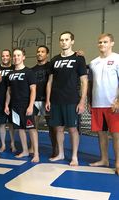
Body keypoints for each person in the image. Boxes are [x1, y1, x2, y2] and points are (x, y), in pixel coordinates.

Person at [45, 31, 88, 166]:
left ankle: (74, 156)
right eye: (62, 40)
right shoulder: (54, 60)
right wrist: (48, 99)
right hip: (56, 100)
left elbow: (84, 81)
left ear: (72, 41)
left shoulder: (79, 59)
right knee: (58, 128)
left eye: (67, 39)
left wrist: (82, 101)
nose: (64, 42)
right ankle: (61, 153)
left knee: (73, 129)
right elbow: (50, 81)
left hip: (71, 99)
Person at [88, 33, 119, 174]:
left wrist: (118, 101)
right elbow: (91, 84)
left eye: (105, 42)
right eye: (100, 42)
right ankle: (104, 159)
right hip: (97, 104)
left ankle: (118, 162)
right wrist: (90, 102)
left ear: (112, 43)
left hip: (113, 104)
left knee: (116, 134)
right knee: (101, 134)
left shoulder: (117, 59)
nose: (102, 44)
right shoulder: (94, 62)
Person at [4, 48, 39, 162]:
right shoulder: (10, 74)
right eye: (14, 55)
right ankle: (24, 151)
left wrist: (30, 106)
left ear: (23, 57)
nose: (16, 57)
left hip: (26, 105)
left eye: (18, 55)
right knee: (20, 129)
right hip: (15, 106)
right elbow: (9, 91)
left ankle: (36, 154)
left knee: (31, 129)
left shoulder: (29, 72)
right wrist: (6, 105)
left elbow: (33, 90)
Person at [31, 45, 57, 157]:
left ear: (47, 54)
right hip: (35, 101)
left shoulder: (51, 66)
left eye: (42, 52)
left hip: (48, 101)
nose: (39, 53)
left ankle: (55, 149)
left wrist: (77, 54)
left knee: (52, 127)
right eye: (38, 51)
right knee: (33, 126)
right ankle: (32, 148)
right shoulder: (31, 70)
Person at [0, 49, 16, 153]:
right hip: (0, 99)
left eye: (7, 56)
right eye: (3, 56)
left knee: (12, 123)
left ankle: (12, 144)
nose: (5, 58)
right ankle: (3, 145)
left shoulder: (14, 68)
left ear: (10, 57)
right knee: (2, 124)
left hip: (13, 100)